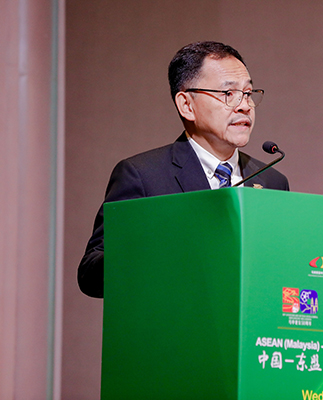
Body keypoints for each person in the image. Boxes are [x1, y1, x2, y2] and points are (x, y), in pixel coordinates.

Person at [78, 41, 289, 298]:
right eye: (228, 93)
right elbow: (90, 275)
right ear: (186, 105)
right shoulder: (142, 175)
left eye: (247, 93)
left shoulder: (271, 181)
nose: (245, 105)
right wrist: (155, 250)